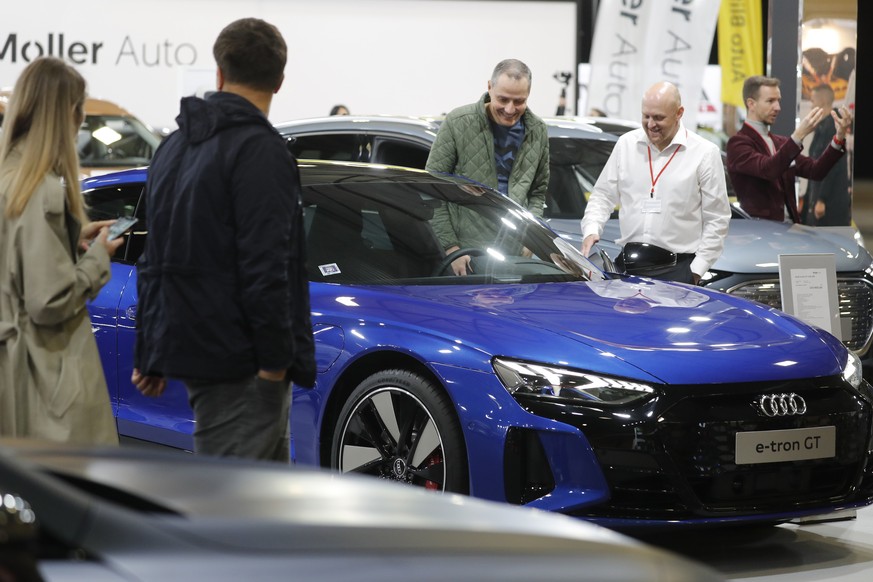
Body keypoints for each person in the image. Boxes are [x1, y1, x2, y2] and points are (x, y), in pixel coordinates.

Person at [131, 18, 316, 461]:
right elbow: (265, 266)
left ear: (219, 74)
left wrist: (150, 350)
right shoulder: (260, 151)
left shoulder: (173, 147)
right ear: (279, 80)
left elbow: (153, 256)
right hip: (245, 362)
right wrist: (275, 366)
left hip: (204, 351)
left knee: (254, 509)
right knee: (229, 511)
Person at [0, 57, 122, 445]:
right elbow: (48, 300)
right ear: (67, 114)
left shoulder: (9, 180)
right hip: (44, 377)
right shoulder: (39, 190)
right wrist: (97, 258)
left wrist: (70, 237)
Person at [580, 81, 730, 285]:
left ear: (679, 113)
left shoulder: (704, 153)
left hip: (677, 271)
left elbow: (717, 217)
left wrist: (696, 270)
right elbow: (602, 196)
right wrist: (591, 230)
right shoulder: (626, 144)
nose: (651, 124)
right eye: (646, 116)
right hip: (627, 267)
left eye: (659, 117)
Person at [426, 58, 549, 275]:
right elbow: (432, 190)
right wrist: (451, 248)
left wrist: (530, 239)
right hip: (464, 255)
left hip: (513, 256)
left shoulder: (537, 130)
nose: (510, 109)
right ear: (489, 88)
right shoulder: (458, 122)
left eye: (519, 101)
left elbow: (537, 193)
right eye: (503, 99)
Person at [726, 75, 852, 222]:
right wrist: (799, 135)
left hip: (791, 232)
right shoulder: (738, 144)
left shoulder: (781, 143)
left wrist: (838, 138)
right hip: (760, 235)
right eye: (770, 101)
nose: (778, 107)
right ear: (751, 104)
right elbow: (768, 170)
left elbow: (816, 170)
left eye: (778, 101)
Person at [804, 83, 851, 226]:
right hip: (820, 201)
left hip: (830, 206)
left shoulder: (834, 127)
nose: (811, 106)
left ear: (822, 102)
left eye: (812, 101)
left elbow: (831, 165)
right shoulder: (822, 127)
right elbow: (814, 167)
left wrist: (821, 199)